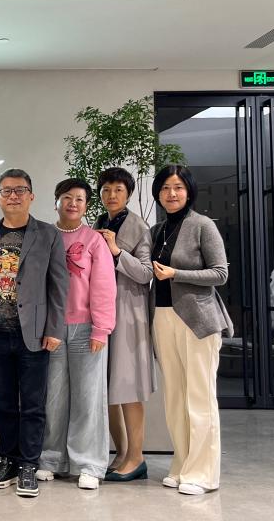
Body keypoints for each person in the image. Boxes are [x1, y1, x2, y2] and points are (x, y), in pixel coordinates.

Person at [0, 168, 68, 498]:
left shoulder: (48, 234)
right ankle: (8, 460)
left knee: (32, 405)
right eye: (6, 191)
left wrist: (55, 328)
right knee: (2, 404)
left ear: (31, 196)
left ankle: (29, 463)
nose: (13, 196)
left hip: (35, 334)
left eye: (20, 190)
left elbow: (59, 285)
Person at [150, 165, 231, 496]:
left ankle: (203, 474)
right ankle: (182, 466)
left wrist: (176, 273)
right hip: (162, 316)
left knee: (200, 397)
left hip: (197, 320)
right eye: (166, 188)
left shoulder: (203, 225)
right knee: (174, 397)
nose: (172, 193)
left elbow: (220, 273)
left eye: (178, 187)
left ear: (189, 191)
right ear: (158, 193)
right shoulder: (157, 230)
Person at [37, 178, 116, 491]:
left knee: (88, 398)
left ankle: (89, 464)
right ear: (56, 201)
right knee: (52, 398)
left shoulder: (94, 240)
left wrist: (101, 329)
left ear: (86, 206)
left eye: (79, 199)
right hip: (52, 328)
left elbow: (104, 286)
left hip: (87, 329)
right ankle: (50, 459)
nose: (72, 203)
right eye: (67, 197)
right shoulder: (44, 235)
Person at [93, 167, 155, 483]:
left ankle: (137, 457)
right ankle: (121, 453)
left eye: (118, 189)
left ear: (128, 194)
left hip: (129, 313)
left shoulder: (139, 227)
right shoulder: (98, 223)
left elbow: (146, 273)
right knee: (108, 387)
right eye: (106, 190)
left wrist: (117, 251)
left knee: (129, 386)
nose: (111, 195)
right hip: (102, 314)